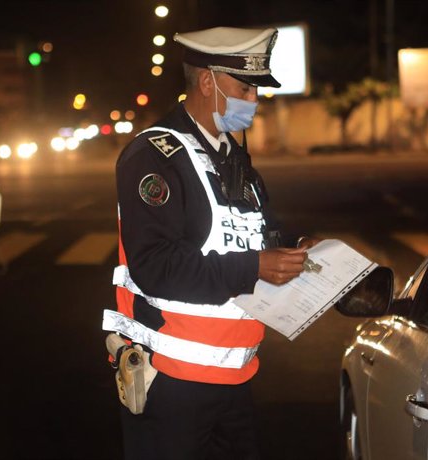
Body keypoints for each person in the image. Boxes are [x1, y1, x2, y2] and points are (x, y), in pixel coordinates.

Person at [103, 26, 318, 459]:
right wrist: (255, 267)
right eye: (245, 88)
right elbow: (156, 266)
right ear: (208, 82)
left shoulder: (232, 156)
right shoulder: (155, 156)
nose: (254, 101)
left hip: (234, 377)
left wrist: (298, 247)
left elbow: (260, 232)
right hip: (172, 382)